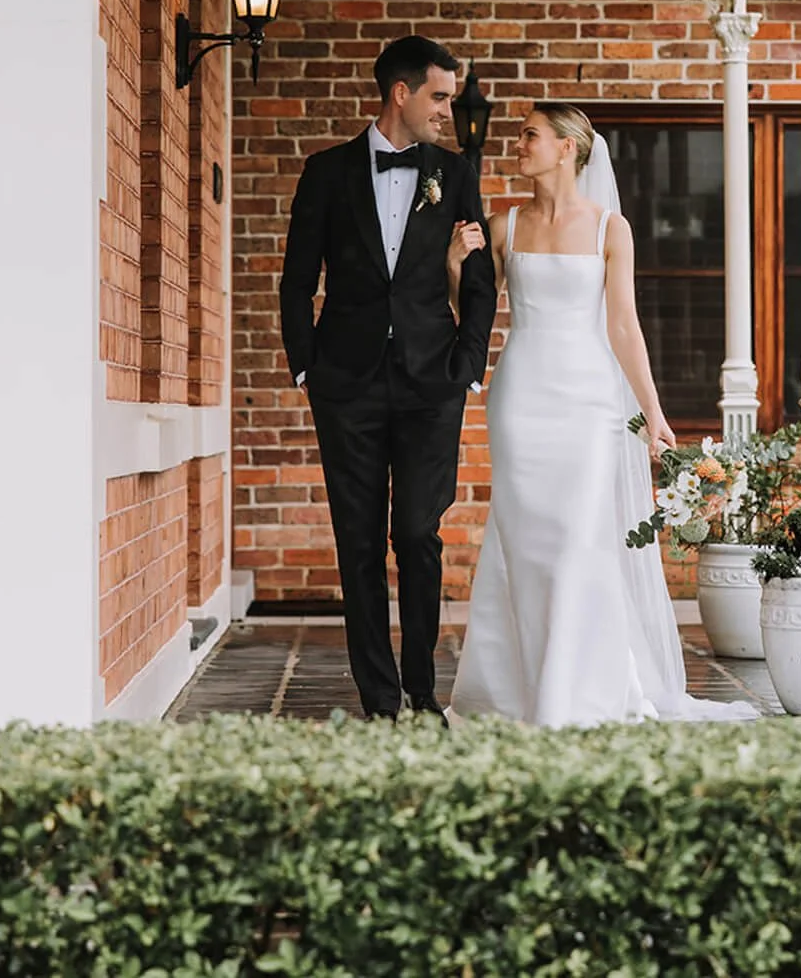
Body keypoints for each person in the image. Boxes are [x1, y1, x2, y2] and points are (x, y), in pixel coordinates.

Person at [446, 103, 758, 727]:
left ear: (567, 148)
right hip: (521, 398)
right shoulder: (503, 226)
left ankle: (577, 692)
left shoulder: (610, 229)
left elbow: (623, 325)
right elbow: (473, 318)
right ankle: (518, 690)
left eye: (530, 135)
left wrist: (653, 411)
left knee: (578, 542)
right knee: (524, 546)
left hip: (588, 402)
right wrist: (456, 265)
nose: (519, 144)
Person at [279, 35, 495, 720]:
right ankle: (378, 696)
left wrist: (467, 364)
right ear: (400, 93)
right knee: (360, 539)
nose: (445, 112)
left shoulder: (454, 173)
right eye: (438, 97)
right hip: (347, 383)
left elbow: (481, 276)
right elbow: (295, 281)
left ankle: (422, 688)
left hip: (433, 382)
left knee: (418, 534)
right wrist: (306, 363)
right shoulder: (326, 172)